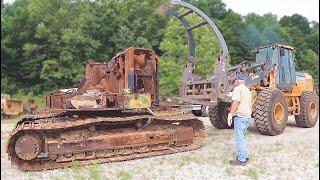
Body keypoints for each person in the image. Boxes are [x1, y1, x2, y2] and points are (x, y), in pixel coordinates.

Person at [228, 75, 252, 166]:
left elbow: (236, 102)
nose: (234, 83)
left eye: (235, 81)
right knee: (243, 138)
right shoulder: (247, 90)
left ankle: (242, 160)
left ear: (238, 81)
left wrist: (230, 114)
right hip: (247, 117)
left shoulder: (237, 89)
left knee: (239, 138)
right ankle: (245, 156)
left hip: (240, 117)